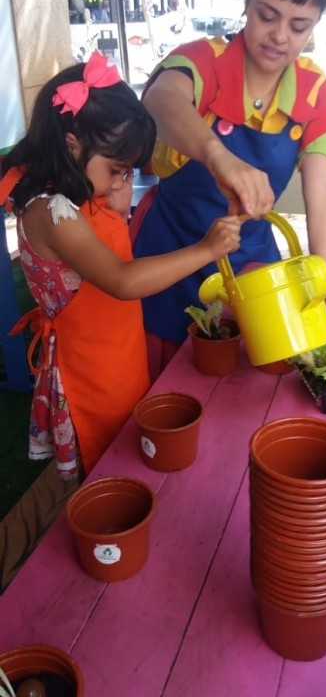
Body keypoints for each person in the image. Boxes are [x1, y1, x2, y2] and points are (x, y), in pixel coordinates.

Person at [131, 0, 326, 381]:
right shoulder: (205, 61)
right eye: (267, 15)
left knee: (252, 385)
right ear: (247, 5)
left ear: (315, 25)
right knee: (170, 381)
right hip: (169, 256)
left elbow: (323, 183)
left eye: (298, 25)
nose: (279, 36)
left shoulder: (313, 90)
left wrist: (321, 280)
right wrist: (218, 155)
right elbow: (161, 100)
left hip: (251, 269)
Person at [0, 52, 241, 480]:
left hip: (117, 353)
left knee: (128, 446)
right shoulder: (53, 211)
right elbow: (122, 280)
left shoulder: (73, 194)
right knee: (105, 466)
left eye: (128, 172)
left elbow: (108, 238)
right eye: (116, 169)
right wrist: (205, 250)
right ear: (72, 145)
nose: (120, 182)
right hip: (88, 370)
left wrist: (115, 203)